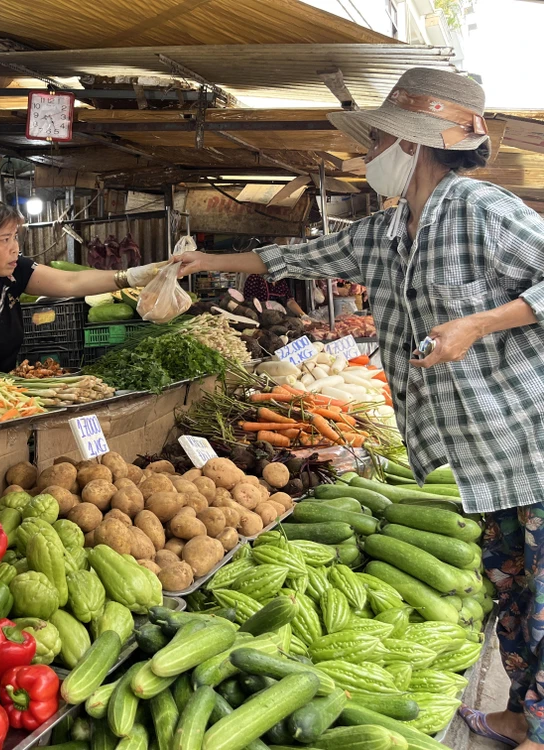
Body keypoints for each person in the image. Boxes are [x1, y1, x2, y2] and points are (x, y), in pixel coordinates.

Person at [176, 68, 544, 750]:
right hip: (471, 458)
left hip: (528, 440)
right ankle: (522, 712)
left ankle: (540, 729)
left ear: (418, 144)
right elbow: (292, 254)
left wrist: (480, 322)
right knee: (512, 592)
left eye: (378, 136)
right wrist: (205, 260)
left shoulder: (483, 211)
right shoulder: (382, 233)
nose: (367, 149)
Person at [0, 197, 165, 390]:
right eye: (4, 240)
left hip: (6, 406)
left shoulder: (12, 277)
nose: (15, 248)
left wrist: (134, 276)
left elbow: (71, 281)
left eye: (15, 237)